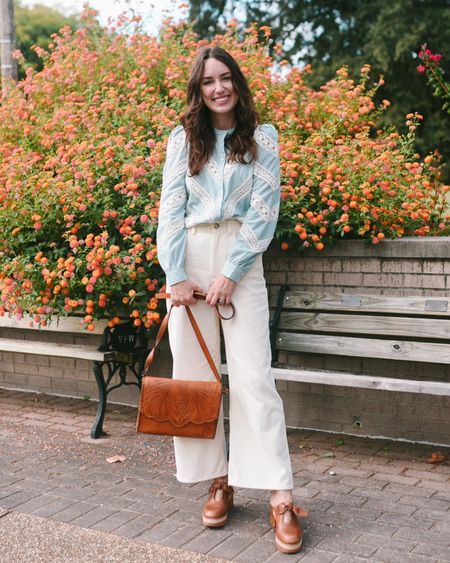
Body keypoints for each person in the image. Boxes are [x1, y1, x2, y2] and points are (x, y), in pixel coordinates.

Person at [156, 46, 307, 554]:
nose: (218, 88)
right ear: (198, 91)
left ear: (238, 84)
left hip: (241, 260)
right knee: (194, 379)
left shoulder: (262, 138)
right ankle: (217, 480)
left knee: (253, 378)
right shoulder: (184, 139)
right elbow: (170, 209)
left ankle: (281, 496)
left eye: (225, 78)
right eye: (207, 82)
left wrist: (231, 272)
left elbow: (264, 211)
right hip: (191, 258)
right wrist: (176, 274)